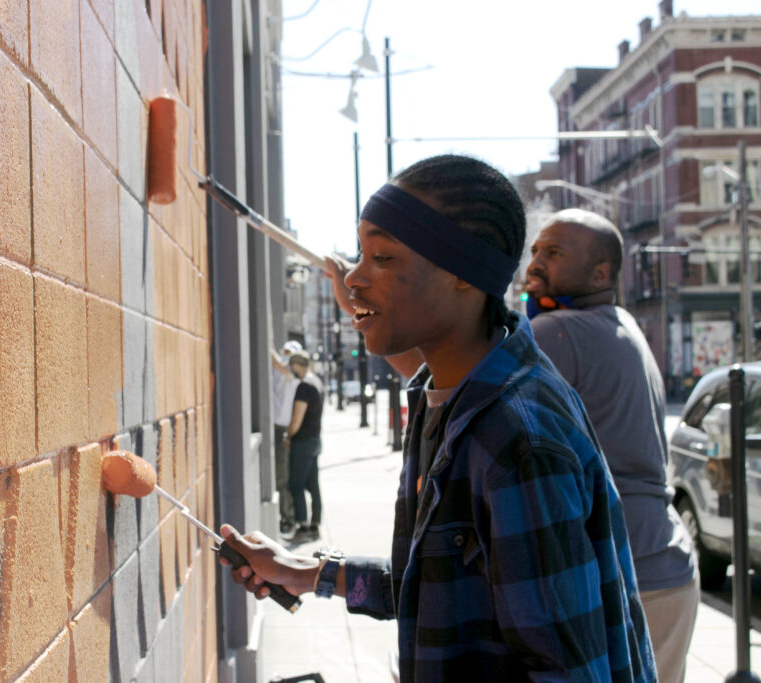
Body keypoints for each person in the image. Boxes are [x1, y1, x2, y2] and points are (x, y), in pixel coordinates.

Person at [220, 155, 656, 681]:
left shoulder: (517, 442)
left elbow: (568, 671)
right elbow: (425, 585)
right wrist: (309, 574)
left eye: (381, 256)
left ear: (461, 274)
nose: (354, 277)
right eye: (360, 253)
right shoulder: (451, 398)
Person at [526, 208, 698, 683]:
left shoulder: (557, 332)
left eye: (554, 253)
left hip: (626, 577)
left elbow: (455, 387)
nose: (536, 261)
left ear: (601, 272)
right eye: (536, 249)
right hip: (668, 571)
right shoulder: (619, 322)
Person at [284, 349, 325, 543]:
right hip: (315, 440)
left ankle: (302, 527)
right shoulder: (317, 382)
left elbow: (296, 420)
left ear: (296, 365)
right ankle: (315, 526)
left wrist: (288, 435)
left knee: (296, 485)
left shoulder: (304, 386)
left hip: (302, 442)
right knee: (313, 484)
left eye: (292, 366)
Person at [271, 340, 303, 534]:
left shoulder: (292, 375)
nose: (286, 357)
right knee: (279, 476)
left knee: (284, 477)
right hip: (274, 428)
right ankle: (287, 515)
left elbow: (278, 364)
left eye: (289, 354)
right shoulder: (280, 373)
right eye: (284, 353)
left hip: (284, 430)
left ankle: (289, 518)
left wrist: (268, 346)